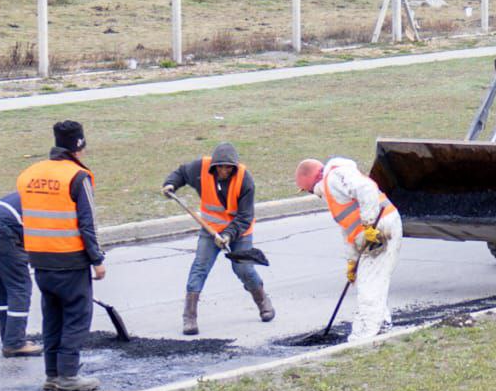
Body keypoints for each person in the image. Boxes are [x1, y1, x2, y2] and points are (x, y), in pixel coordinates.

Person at [17, 120, 105, 391]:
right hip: (70, 258)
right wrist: (97, 259)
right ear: (79, 147)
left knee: (52, 316)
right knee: (77, 317)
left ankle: (52, 374)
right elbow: (87, 223)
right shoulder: (77, 176)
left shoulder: (29, 173)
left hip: (40, 259)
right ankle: (68, 375)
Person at [162, 142, 273, 334]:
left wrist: (228, 235)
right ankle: (189, 317)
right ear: (214, 166)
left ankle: (263, 300)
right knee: (200, 267)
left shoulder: (245, 180)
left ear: (234, 167)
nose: (224, 171)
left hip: (239, 232)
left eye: (229, 168)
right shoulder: (200, 168)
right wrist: (170, 184)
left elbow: (245, 217)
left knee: (243, 269)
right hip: (210, 228)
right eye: (221, 167)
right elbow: (181, 173)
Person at [294, 157, 403, 342]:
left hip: (381, 227)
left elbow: (366, 189)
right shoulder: (332, 191)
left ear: (312, 181)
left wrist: (369, 225)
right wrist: (352, 262)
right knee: (369, 279)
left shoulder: (335, 176)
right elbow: (349, 230)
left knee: (370, 283)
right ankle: (381, 324)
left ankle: (365, 335)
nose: (314, 194)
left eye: (309, 190)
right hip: (376, 229)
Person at [0, 192, 41, 357]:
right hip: (1, 228)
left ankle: (8, 337)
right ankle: (15, 343)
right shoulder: (56, 202)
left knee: (2, 287)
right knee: (19, 286)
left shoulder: (36, 190)